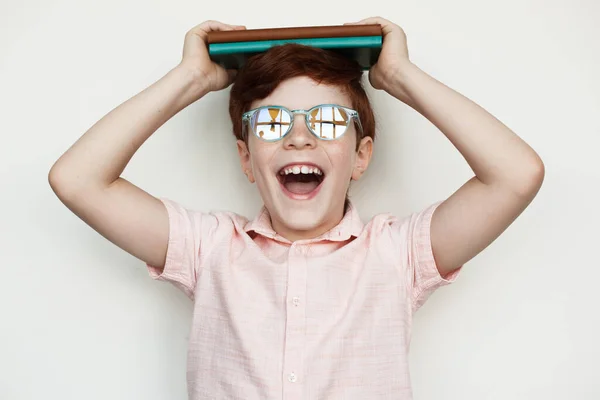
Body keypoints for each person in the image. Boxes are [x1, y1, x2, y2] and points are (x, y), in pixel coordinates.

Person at [48, 16, 544, 400]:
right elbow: (77, 180)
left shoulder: (399, 255)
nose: (299, 136)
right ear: (246, 158)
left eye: (328, 120)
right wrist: (190, 79)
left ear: (361, 156)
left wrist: (401, 76)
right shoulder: (210, 248)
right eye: (270, 123)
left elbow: (515, 175)